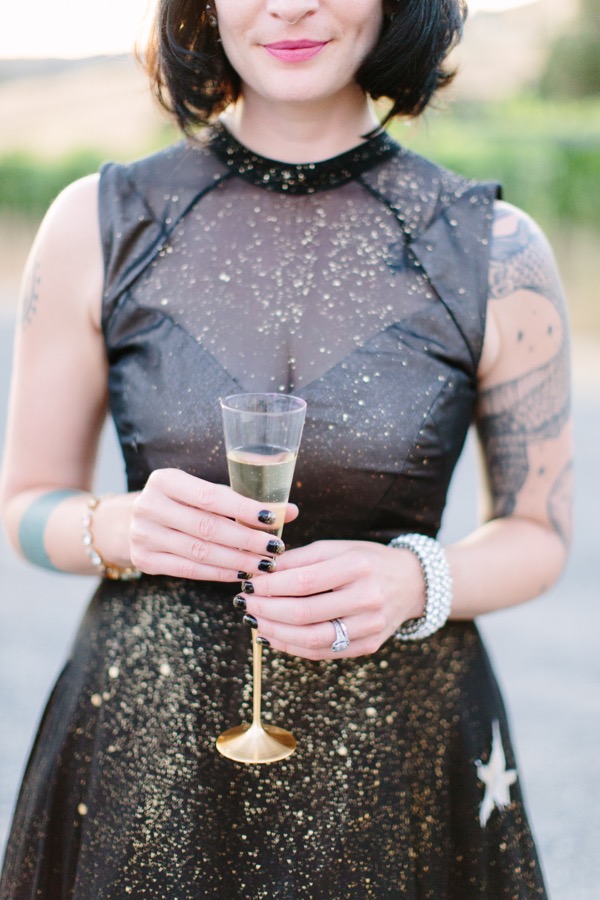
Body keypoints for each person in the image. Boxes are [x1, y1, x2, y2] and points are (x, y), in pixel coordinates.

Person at [0, 0, 572, 896]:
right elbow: (25, 507)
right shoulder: (97, 223)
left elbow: (540, 534)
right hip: (149, 773)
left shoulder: (496, 250)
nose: (291, 4)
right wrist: (118, 528)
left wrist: (417, 580)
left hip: (400, 777)